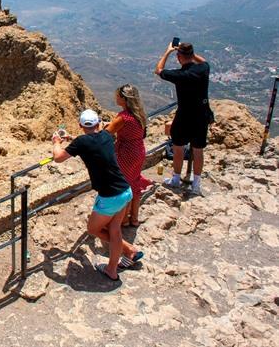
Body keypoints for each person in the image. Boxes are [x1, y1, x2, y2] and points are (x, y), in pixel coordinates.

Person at [52, 109, 143, 281]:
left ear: (80, 125)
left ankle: (116, 265)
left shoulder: (81, 143)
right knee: (114, 230)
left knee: (93, 229)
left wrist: (57, 142)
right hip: (125, 190)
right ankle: (126, 255)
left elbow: (58, 158)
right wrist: (72, 140)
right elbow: (93, 141)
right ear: (99, 123)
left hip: (110, 196)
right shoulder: (107, 136)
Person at [154, 41, 211, 196]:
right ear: (192, 55)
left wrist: (168, 52)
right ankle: (196, 185)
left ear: (179, 57)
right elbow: (204, 61)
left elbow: (158, 70)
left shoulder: (180, 75)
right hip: (201, 116)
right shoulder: (203, 69)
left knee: (178, 148)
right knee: (198, 150)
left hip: (184, 116)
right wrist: (191, 54)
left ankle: (176, 179)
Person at [105, 84, 153, 227]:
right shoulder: (140, 114)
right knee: (134, 183)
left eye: (118, 96)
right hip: (138, 150)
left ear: (125, 99)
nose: (116, 98)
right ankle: (135, 218)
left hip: (126, 153)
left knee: (124, 186)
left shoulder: (123, 117)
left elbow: (106, 134)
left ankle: (124, 220)